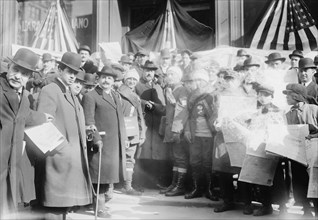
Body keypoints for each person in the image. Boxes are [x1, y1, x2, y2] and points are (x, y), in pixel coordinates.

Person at [36, 52, 92, 219]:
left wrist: (86, 132)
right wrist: (63, 149)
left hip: (71, 160)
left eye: (75, 73)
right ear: (60, 70)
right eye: (69, 72)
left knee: (64, 208)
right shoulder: (51, 90)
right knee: (54, 209)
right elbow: (44, 126)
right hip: (58, 158)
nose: (73, 77)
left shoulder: (70, 93)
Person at [0, 48, 52, 218]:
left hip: (10, 163)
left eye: (24, 74)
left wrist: (43, 117)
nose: (17, 76)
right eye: (16, 70)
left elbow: (25, 115)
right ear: (9, 67)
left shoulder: (24, 95)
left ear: (29, 78)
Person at [82, 65, 127, 218]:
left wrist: (124, 138)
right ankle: (99, 207)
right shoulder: (91, 95)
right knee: (99, 176)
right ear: (98, 79)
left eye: (109, 78)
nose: (106, 80)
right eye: (103, 77)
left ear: (114, 80)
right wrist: (96, 139)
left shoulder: (115, 95)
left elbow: (121, 119)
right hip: (100, 143)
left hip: (114, 144)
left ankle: (101, 201)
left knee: (108, 177)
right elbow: (89, 121)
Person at [283, 83, 318, 217]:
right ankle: (305, 208)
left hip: (314, 152)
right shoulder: (288, 114)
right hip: (297, 153)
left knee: (314, 179)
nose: (286, 98)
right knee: (299, 179)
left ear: (296, 96)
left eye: (288, 94)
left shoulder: (314, 109)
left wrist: (313, 136)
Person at [183, 69, 219, 201]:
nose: (197, 83)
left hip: (209, 135)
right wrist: (187, 130)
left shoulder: (213, 94)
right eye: (195, 80)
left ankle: (209, 190)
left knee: (208, 163)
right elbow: (187, 115)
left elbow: (217, 113)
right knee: (195, 162)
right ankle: (197, 189)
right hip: (195, 135)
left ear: (205, 81)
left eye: (200, 80)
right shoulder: (191, 95)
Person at [134, 60, 169, 189]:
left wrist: (155, 106)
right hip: (143, 123)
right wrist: (143, 102)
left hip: (156, 125)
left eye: (152, 71)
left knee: (156, 154)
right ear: (142, 71)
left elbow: (163, 106)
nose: (149, 73)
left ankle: (155, 182)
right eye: (147, 70)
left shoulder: (158, 87)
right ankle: (139, 182)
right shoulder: (137, 85)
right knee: (141, 152)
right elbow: (133, 99)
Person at [160, 66, 189, 197]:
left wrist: (177, 130)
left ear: (179, 76)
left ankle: (180, 186)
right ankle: (173, 184)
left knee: (180, 157)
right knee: (175, 157)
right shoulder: (170, 88)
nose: (169, 76)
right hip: (171, 129)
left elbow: (183, 110)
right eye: (168, 74)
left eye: (172, 74)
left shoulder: (182, 89)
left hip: (178, 129)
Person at [117, 69, 146, 196]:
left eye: (134, 79)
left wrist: (141, 133)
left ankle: (127, 185)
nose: (132, 81)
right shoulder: (118, 94)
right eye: (129, 79)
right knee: (117, 158)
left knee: (130, 160)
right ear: (125, 79)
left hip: (133, 131)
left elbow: (140, 116)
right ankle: (112, 186)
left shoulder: (136, 96)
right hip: (122, 130)